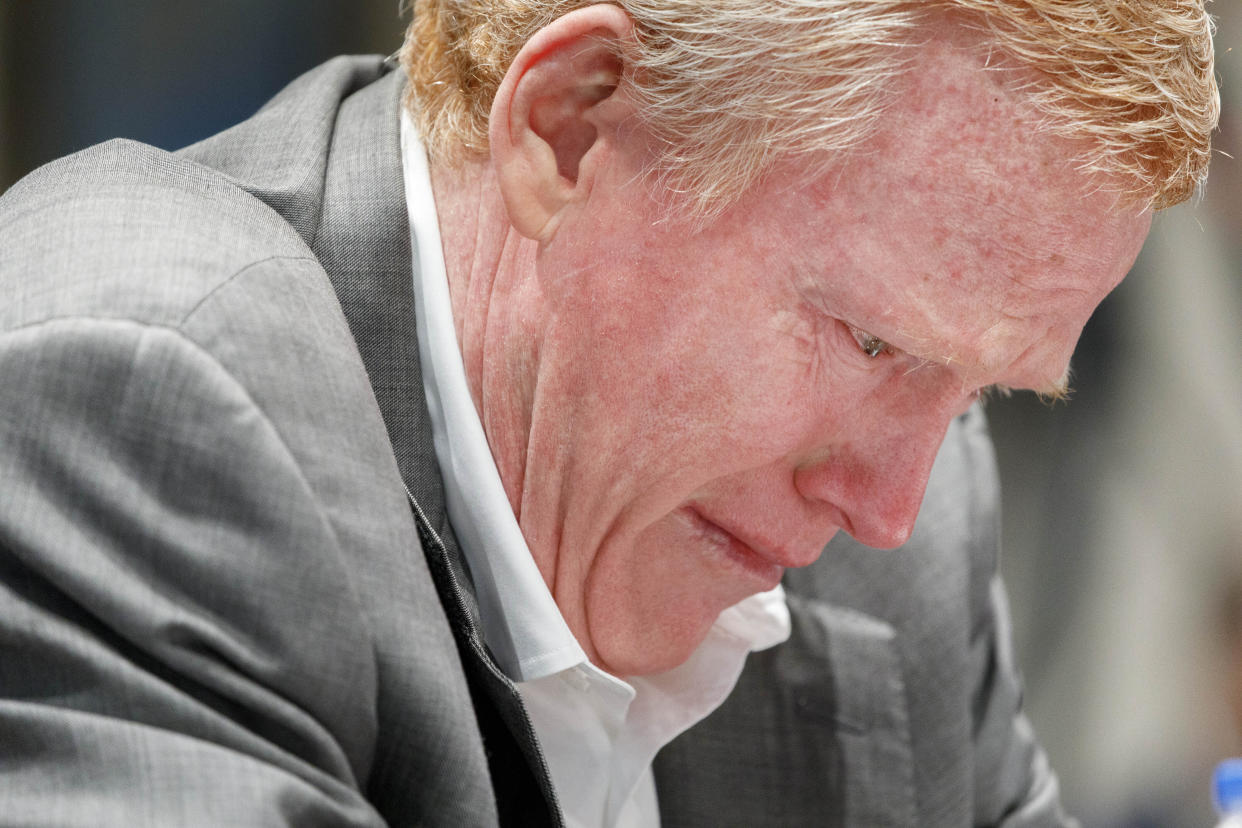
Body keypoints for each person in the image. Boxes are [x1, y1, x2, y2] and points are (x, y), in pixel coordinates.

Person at [0, 1, 1217, 826]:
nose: (890, 507)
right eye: (872, 341)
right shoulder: (133, 383)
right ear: (571, 127)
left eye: (983, 388)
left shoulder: (911, 534)